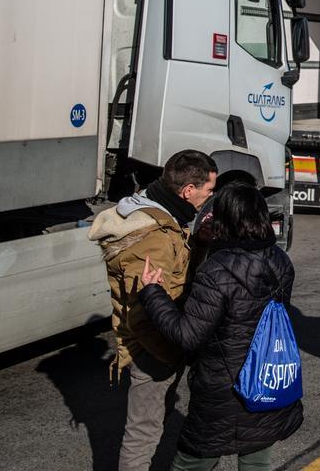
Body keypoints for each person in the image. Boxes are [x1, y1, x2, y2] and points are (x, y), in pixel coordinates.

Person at [138, 183, 302, 471]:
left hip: (222, 391)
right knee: (257, 460)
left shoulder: (218, 269)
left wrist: (153, 294)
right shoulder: (280, 261)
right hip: (266, 381)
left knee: (190, 463)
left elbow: (188, 335)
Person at [87, 150, 217, 471]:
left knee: (155, 422)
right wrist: (173, 354)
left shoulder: (161, 214)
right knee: (142, 433)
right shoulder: (154, 238)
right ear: (188, 191)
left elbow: (176, 275)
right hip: (154, 350)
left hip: (161, 343)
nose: (210, 196)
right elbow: (145, 312)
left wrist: (198, 244)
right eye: (208, 190)